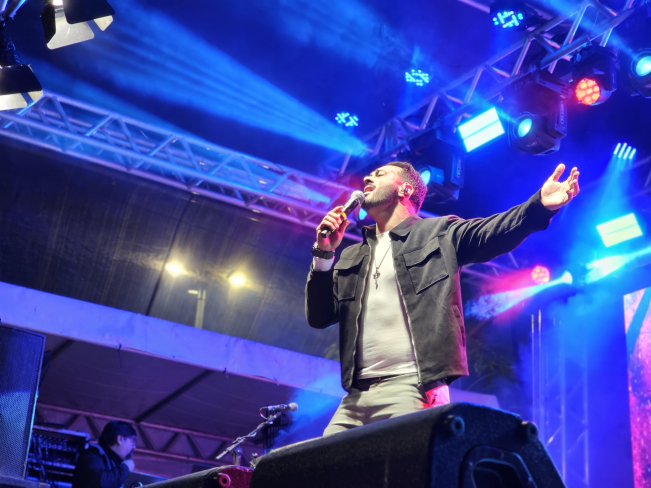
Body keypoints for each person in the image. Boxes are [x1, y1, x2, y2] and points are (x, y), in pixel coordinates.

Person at [306, 161, 580, 435]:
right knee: (326, 462)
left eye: (380, 174)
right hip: (354, 398)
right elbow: (320, 316)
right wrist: (323, 255)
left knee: (402, 463)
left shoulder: (439, 233)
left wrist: (538, 206)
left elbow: (493, 231)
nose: (368, 177)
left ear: (405, 189)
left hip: (411, 389)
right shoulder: (353, 255)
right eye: (370, 174)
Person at [72, 421, 137, 488]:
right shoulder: (91, 455)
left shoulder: (117, 464)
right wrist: (125, 468)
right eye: (133, 441)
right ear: (120, 439)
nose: (134, 447)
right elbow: (100, 483)